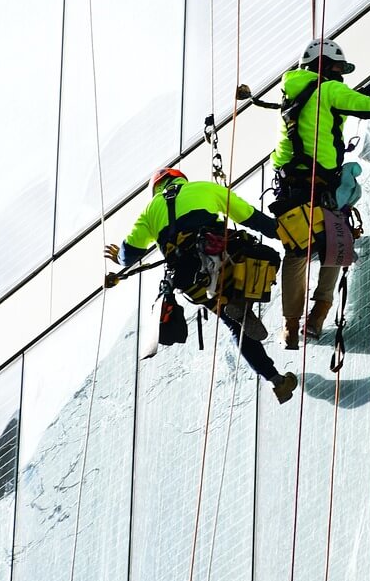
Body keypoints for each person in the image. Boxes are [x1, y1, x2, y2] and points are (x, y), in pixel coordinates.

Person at [269, 38, 370, 348]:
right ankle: (317, 317)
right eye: (336, 68)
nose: (340, 76)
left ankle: (290, 327)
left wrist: (357, 94)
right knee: (335, 247)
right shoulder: (329, 89)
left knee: (296, 252)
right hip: (318, 186)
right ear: (323, 65)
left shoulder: (293, 90)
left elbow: (322, 112)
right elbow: (369, 110)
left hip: (290, 186)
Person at [104, 166, 298, 404]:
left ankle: (275, 380)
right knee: (268, 257)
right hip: (225, 259)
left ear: (156, 190)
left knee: (234, 324)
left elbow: (129, 255)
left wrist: (118, 259)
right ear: (182, 180)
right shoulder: (205, 188)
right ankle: (240, 302)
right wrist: (286, 233)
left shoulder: (149, 212)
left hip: (190, 280)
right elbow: (250, 217)